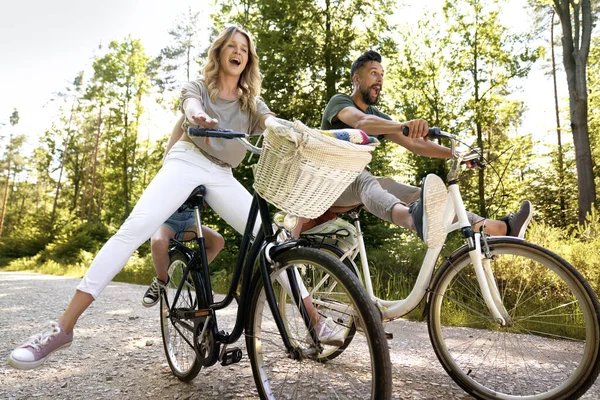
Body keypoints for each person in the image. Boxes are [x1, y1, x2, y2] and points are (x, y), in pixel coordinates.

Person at [8, 26, 275, 370]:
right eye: (232, 46)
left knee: (269, 239)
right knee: (133, 230)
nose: (238, 51)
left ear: (248, 59)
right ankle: (63, 327)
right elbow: (190, 105)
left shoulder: (250, 102)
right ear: (221, 52)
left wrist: (290, 130)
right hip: (187, 159)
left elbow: (270, 121)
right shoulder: (199, 88)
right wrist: (197, 116)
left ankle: (313, 320)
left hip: (222, 173)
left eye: (244, 48)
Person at [295, 50, 532, 246]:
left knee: (423, 197)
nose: (379, 79)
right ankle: (412, 220)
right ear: (356, 79)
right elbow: (360, 122)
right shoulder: (340, 102)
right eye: (373, 73)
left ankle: (501, 228)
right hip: (326, 187)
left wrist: (456, 153)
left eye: (382, 75)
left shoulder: (377, 115)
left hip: (351, 186)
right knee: (364, 180)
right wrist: (403, 125)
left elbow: (416, 144)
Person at [141, 117, 225, 308]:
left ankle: (193, 274)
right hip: (167, 223)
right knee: (158, 242)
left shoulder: (206, 170)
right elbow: (175, 137)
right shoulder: (173, 163)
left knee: (218, 241)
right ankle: (161, 281)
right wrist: (188, 113)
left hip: (188, 224)